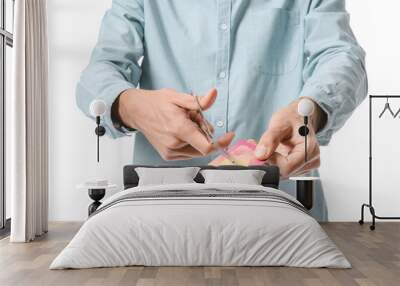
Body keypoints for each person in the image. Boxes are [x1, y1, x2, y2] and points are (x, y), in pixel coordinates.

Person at [76, 0, 367, 219]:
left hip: (282, 209)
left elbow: (342, 56)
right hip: (163, 213)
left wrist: (312, 113)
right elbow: (100, 70)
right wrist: (131, 105)